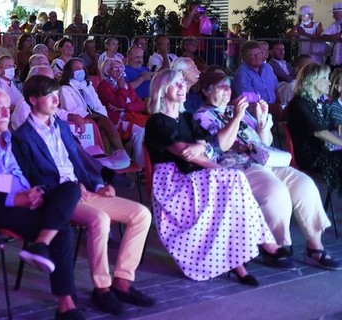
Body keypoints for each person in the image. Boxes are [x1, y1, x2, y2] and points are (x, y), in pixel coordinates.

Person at [0, 86, 97, 320]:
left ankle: (41, 244)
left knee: (71, 188)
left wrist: (38, 191)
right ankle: (66, 308)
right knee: (62, 230)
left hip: (29, 199)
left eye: (7, 107)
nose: (6, 112)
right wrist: (15, 198)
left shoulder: (15, 141)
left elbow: (35, 174)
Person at [13, 75, 155, 316]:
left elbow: (79, 162)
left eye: (56, 95)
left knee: (141, 214)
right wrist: (66, 188)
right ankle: (102, 288)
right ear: (33, 100)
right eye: (49, 96)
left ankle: (123, 281)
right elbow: (31, 178)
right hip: (58, 197)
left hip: (83, 190)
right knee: (100, 219)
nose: (56, 100)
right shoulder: (22, 136)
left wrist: (98, 185)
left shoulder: (61, 127)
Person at [195, 68, 338, 271]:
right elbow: (221, 146)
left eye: (229, 86)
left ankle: (314, 247)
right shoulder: (202, 116)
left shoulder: (236, 111)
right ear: (206, 90)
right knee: (276, 191)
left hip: (265, 161)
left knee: (304, 184)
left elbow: (265, 142)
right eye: (221, 87)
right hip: (238, 167)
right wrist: (237, 118)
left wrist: (262, 124)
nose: (228, 91)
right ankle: (275, 246)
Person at [144, 69, 275, 283]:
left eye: (183, 83)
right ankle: (260, 246)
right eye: (176, 84)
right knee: (233, 179)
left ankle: (239, 260)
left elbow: (204, 144)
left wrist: (200, 147)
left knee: (233, 188)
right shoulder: (157, 122)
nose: (183, 87)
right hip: (173, 181)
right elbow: (186, 153)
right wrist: (215, 165)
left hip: (195, 175)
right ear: (162, 90)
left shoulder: (187, 117)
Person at [58, 59, 131, 165]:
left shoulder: (88, 86)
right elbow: (72, 108)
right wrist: (92, 115)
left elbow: (98, 104)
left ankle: (105, 160)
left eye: (82, 68)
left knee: (103, 130)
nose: (81, 70)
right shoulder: (65, 89)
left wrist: (100, 114)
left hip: (96, 116)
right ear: (70, 72)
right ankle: (121, 152)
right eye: (77, 68)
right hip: (81, 118)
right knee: (104, 122)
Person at [287, 63, 342, 199]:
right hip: (312, 156)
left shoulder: (317, 103)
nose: (329, 82)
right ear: (311, 80)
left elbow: (331, 126)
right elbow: (319, 132)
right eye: (324, 78)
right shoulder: (299, 104)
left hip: (324, 150)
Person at [95, 58, 147, 164]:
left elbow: (141, 105)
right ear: (107, 71)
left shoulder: (127, 85)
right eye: (115, 68)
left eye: (121, 68)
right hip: (115, 122)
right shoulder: (103, 86)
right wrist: (122, 87)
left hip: (131, 117)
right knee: (139, 132)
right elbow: (119, 103)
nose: (119, 71)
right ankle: (141, 164)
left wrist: (125, 108)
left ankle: (150, 162)